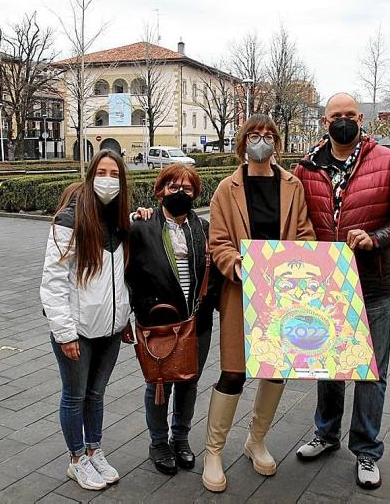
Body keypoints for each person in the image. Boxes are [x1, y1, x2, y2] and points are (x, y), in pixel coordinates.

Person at [293, 92, 390, 489]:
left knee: (371, 371)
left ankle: (367, 450)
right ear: (324, 122)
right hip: (326, 285)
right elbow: (294, 220)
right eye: (336, 115)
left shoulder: (388, 162)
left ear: (361, 119)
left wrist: (376, 237)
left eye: (351, 114)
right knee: (327, 364)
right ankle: (326, 434)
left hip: (373, 284)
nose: (344, 120)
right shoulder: (306, 167)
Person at [203, 114, 315, 492]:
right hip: (240, 290)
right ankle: (214, 452)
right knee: (233, 372)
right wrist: (235, 264)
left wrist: (297, 262)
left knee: (275, 369)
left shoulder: (293, 186)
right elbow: (217, 241)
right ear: (243, 142)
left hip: (283, 294)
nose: (262, 141)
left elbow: (304, 234)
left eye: (269, 135)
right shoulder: (226, 189)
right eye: (255, 135)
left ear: (277, 143)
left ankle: (256, 439)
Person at [40, 149, 131, 491]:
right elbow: (53, 281)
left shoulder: (121, 221)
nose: (108, 179)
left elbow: (123, 277)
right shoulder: (70, 218)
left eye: (115, 174)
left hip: (110, 329)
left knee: (97, 393)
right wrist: (64, 333)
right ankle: (76, 459)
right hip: (77, 329)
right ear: (91, 174)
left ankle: (94, 449)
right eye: (102, 172)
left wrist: (124, 317)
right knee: (75, 395)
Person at [126, 163, 216, 476]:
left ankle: (180, 438)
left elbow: (212, 273)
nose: (179, 192)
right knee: (159, 384)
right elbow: (127, 271)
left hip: (197, 322)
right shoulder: (143, 226)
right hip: (159, 323)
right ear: (161, 190)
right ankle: (157, 442)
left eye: (187, 188)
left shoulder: (202, 228)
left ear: (196, 194)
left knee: (189, 382)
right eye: (173, 186)